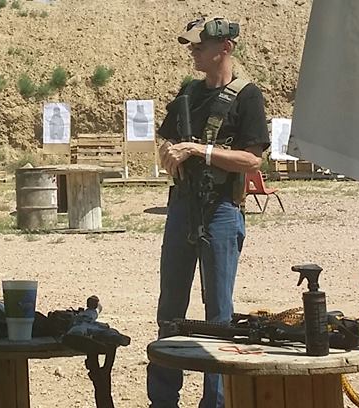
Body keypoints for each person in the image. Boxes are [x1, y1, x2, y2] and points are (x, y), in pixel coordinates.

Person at [146, 16, 269, 408]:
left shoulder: (248, 96)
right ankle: (162, 399)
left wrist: (201, 150)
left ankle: (215, 401)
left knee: (218, 316)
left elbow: (253, 159)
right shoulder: (189, 92)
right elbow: (166, 138)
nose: (194, 53)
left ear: (225, 48)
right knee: (170, 309)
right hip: (184, 205)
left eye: (200, 46)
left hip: (221, 210)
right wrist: (168, 152)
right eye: (192, 47)